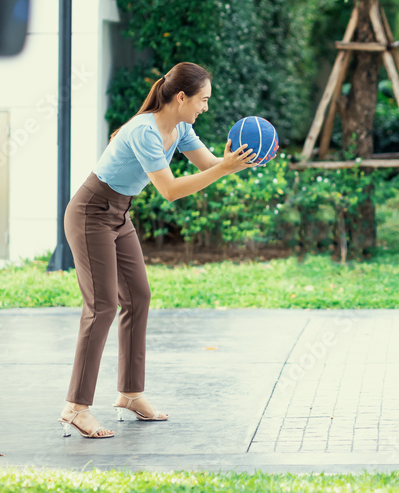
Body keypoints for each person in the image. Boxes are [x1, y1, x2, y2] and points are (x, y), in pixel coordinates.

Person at [58, 62, 268, 439]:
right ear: (182, 96)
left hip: (118, 213)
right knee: (102, 306)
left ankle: (130, 393)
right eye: (202, 100)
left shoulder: (181, 128)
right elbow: (170, 191)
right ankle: (75, 407)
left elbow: (209, 165)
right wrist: (223, 169)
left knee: (138, 297)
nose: (205, 107)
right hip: (90, 213)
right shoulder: (145, 131)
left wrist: (237, 162)